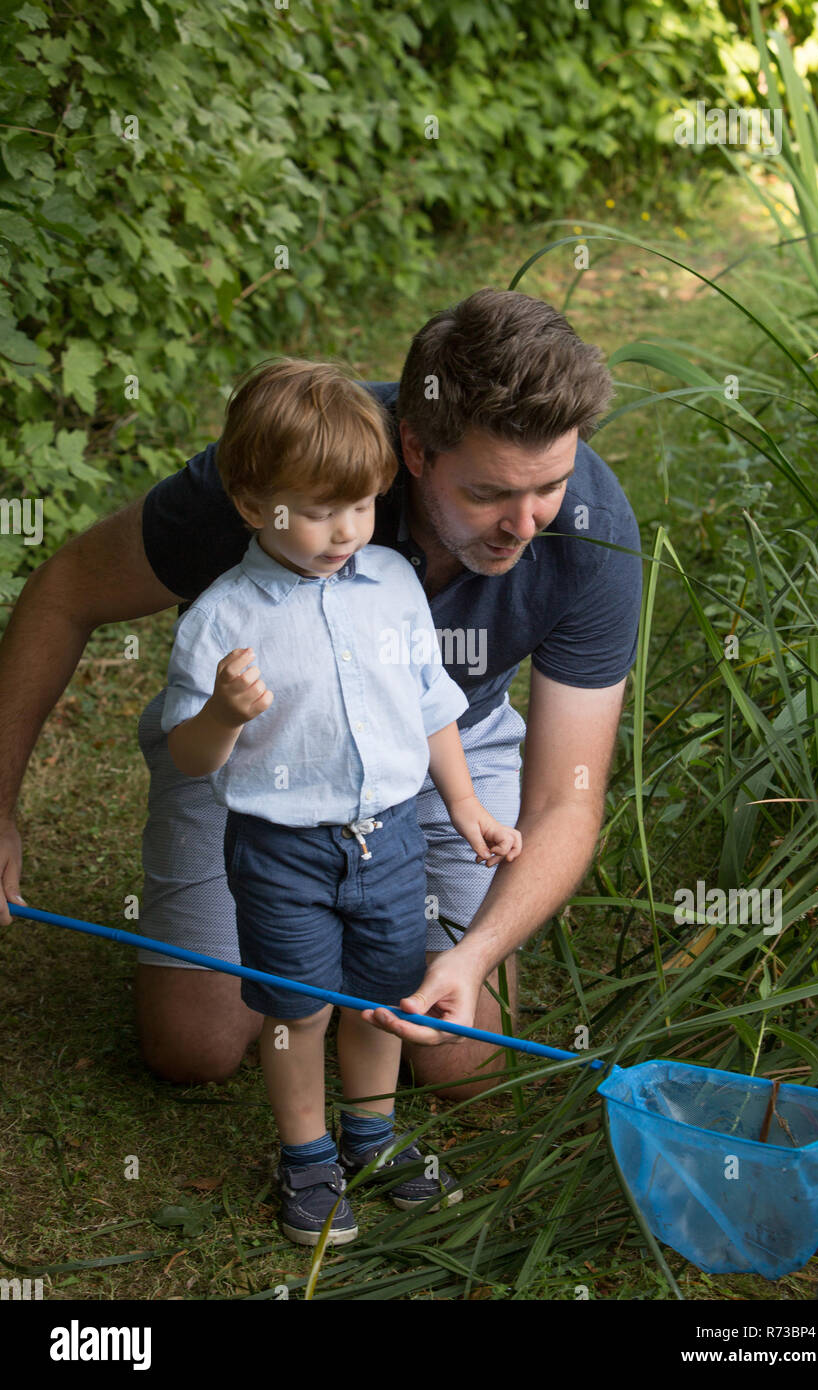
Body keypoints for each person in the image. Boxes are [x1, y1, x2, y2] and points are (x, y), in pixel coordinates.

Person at [0, 287, 643, 1098]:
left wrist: (474, 954)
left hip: (444, 744)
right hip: (260, 747)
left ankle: (364, 953)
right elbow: (66, 592)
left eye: (547, 483)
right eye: (487, 494)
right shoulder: (296, 464)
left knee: (462, 1063)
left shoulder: (592, 531)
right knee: (191, 1048)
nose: (525, 523)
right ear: (412, 448)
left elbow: (564, 802)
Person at [161, 357, 522, 1243]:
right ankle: (309, 1157)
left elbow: (431, 707)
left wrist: (466, 805)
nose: (342, 532)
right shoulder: (223, 617)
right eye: (317, 511)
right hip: (282, 848)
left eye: (360, 506)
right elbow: (191, 756)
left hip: (391, 837)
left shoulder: (392, 582)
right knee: (296, 1004)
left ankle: (373, 1134)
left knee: (385, 995)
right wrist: (221, 712)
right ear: (253, 504)